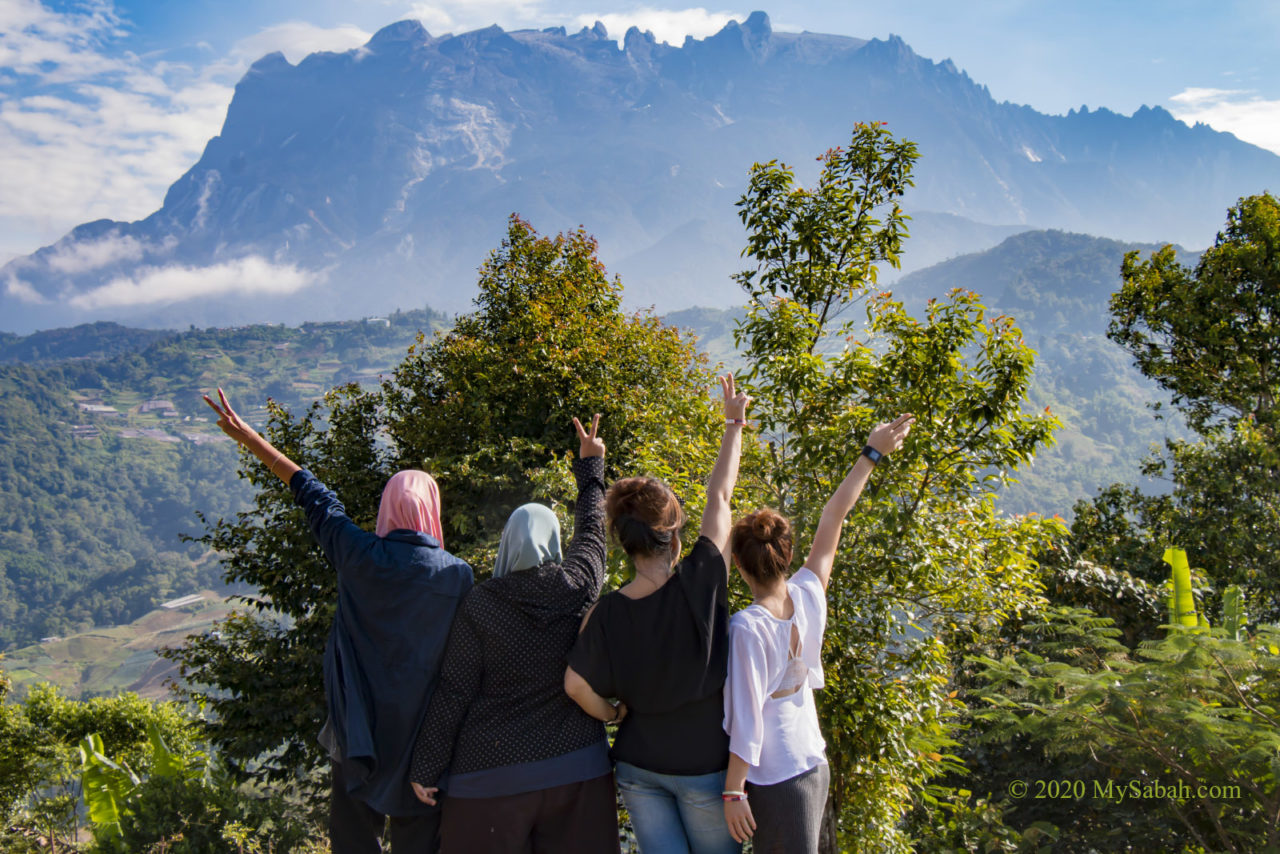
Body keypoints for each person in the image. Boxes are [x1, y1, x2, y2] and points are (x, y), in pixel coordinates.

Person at [203, 389, 473, 854]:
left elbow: (312, 494)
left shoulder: (357, 554)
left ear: (387, 507)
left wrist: (248, 437)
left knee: (352, 840)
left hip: (357, 729)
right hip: (423, 739)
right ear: (433, 510)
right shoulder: (458, 575)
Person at [409, 414, 619, 853]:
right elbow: (594, 533)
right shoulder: (578, 584)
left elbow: (454, 692)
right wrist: (591, 467)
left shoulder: (481, 603)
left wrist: (426, 767)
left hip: (489, 776)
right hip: (577, 767)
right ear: (554, 542)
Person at [565, 374, 750, 854]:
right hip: (705, 767)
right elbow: (721, 498)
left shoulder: (606, 613)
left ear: (624, 543)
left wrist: (612, 713)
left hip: (638, 765)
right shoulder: (702, 580)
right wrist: (734, 424)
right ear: (672, 534)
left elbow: (575, 685)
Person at [721, 414, 914, 853]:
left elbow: (747, 719)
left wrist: (733, 791)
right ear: (787, 554)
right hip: (812, 760)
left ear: (737, 564)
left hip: (776, 777)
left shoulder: (747, 627)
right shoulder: (809, 593)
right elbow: (833, 518)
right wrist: (872, 453)